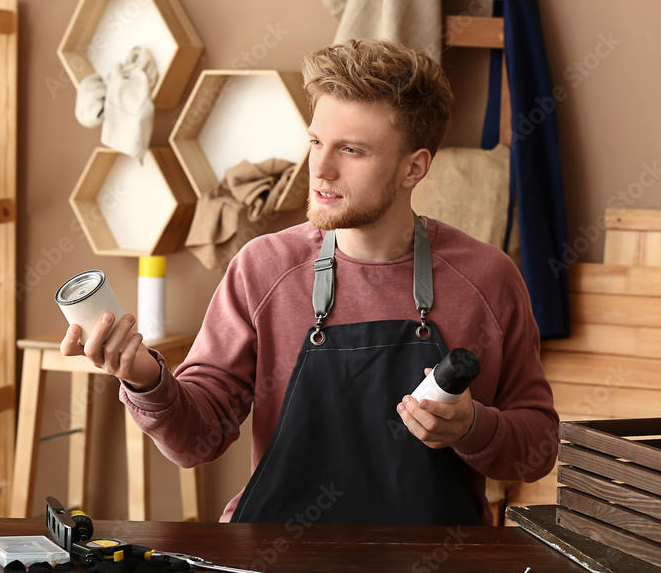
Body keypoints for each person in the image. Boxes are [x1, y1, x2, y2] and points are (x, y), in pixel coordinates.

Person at [60, 39, 559, 526]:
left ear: (415, 167)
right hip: (277, 558)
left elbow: (537, 450)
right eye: (316, 141)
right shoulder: (262, 269)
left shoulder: (486, 279)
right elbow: (197, 441)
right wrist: (144, 378)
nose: (319, 169)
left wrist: (474, 427)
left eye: (352, 150)